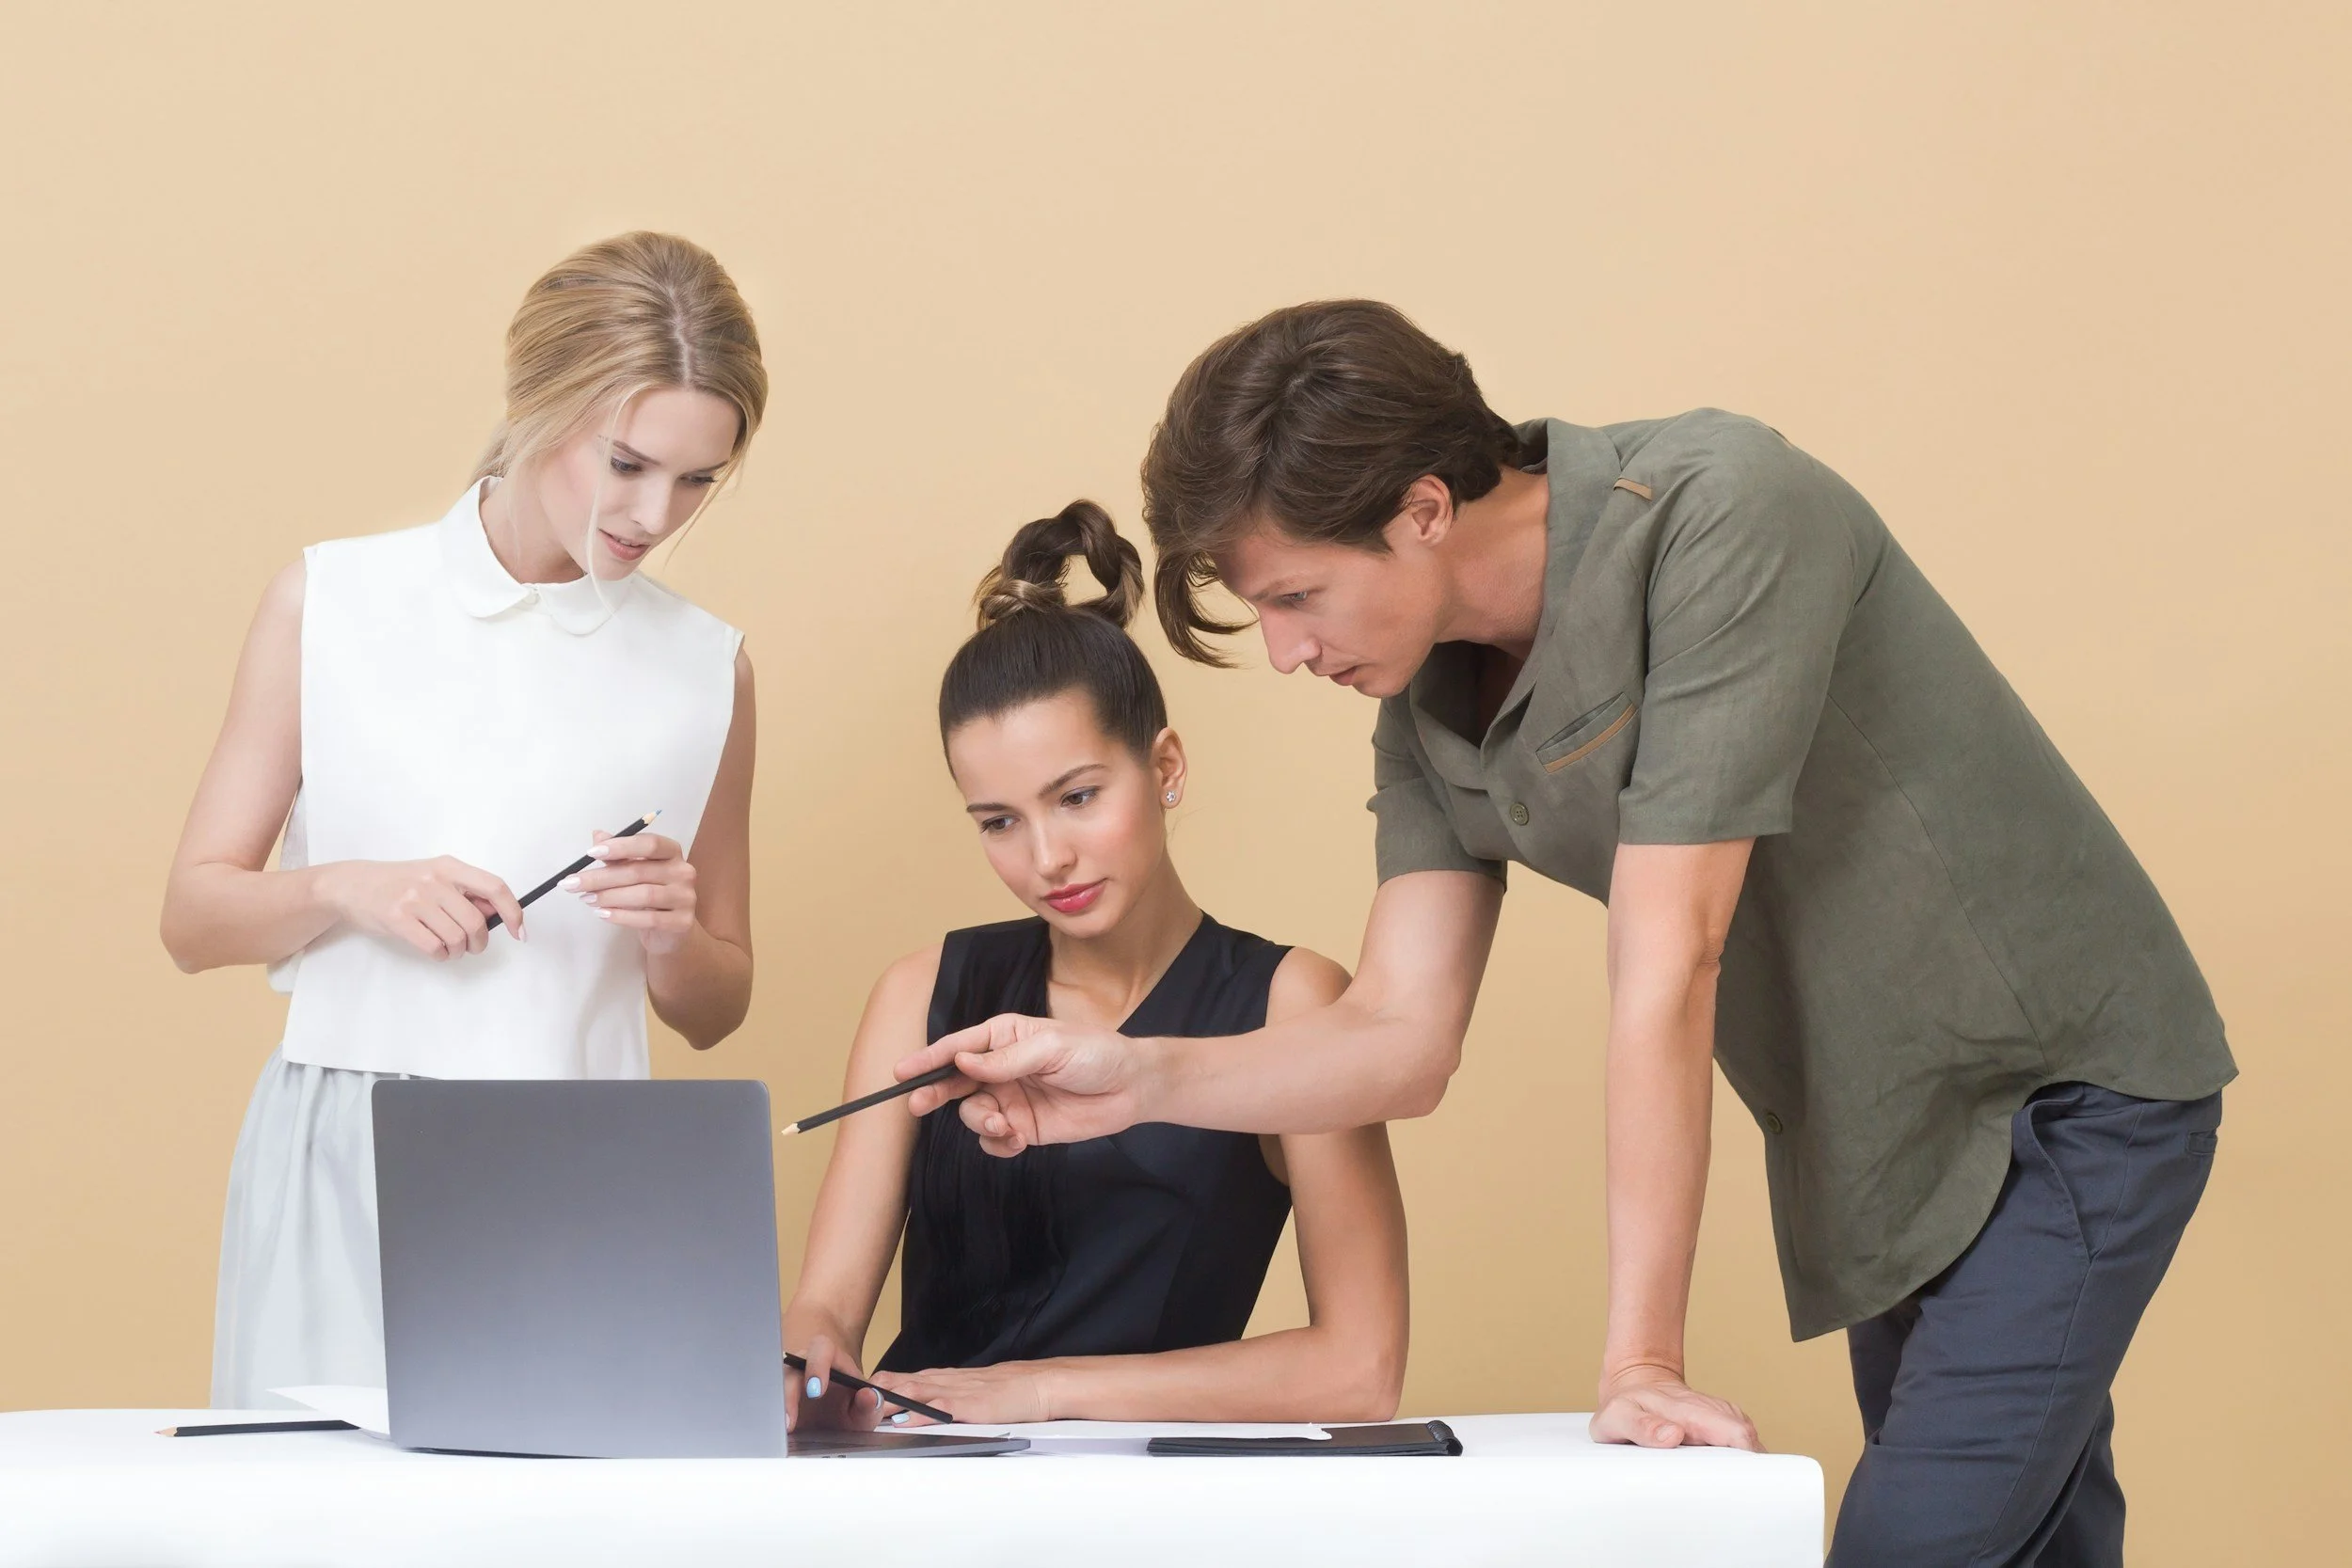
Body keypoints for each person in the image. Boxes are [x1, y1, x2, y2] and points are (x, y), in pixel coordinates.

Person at [901, 302, 2233, 1564]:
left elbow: (1672, 963)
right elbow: (1397, 1036)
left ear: (1423, 508)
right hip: (1877, 1143)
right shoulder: (1424, 698)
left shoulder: (1721, 512)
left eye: (1296, 596)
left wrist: (1639, 1362)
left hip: (2059, 1091)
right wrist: (1129, 1079)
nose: (1286, 652)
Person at [161, 232, 767, 1407]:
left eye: (699, 479)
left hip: (585, 1161)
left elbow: (715, 1007)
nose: (657, 514)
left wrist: (670, 929)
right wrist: (347, 886)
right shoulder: (332, 599)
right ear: (540, 403)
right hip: (344, 1140)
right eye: (629, 462)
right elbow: (193, 917)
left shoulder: (709, 669)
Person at [786, 500, 1408, 1433]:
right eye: (998, 820)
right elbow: (825, 1311)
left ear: (1164, 767)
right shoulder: (921, 993)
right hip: (914, 1477)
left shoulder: (1291, 1003)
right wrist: (806, 1359)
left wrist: (1039, 1392)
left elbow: (1359, 1369)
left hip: (1139, 1496)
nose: (1046, 858)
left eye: (1076, 796)